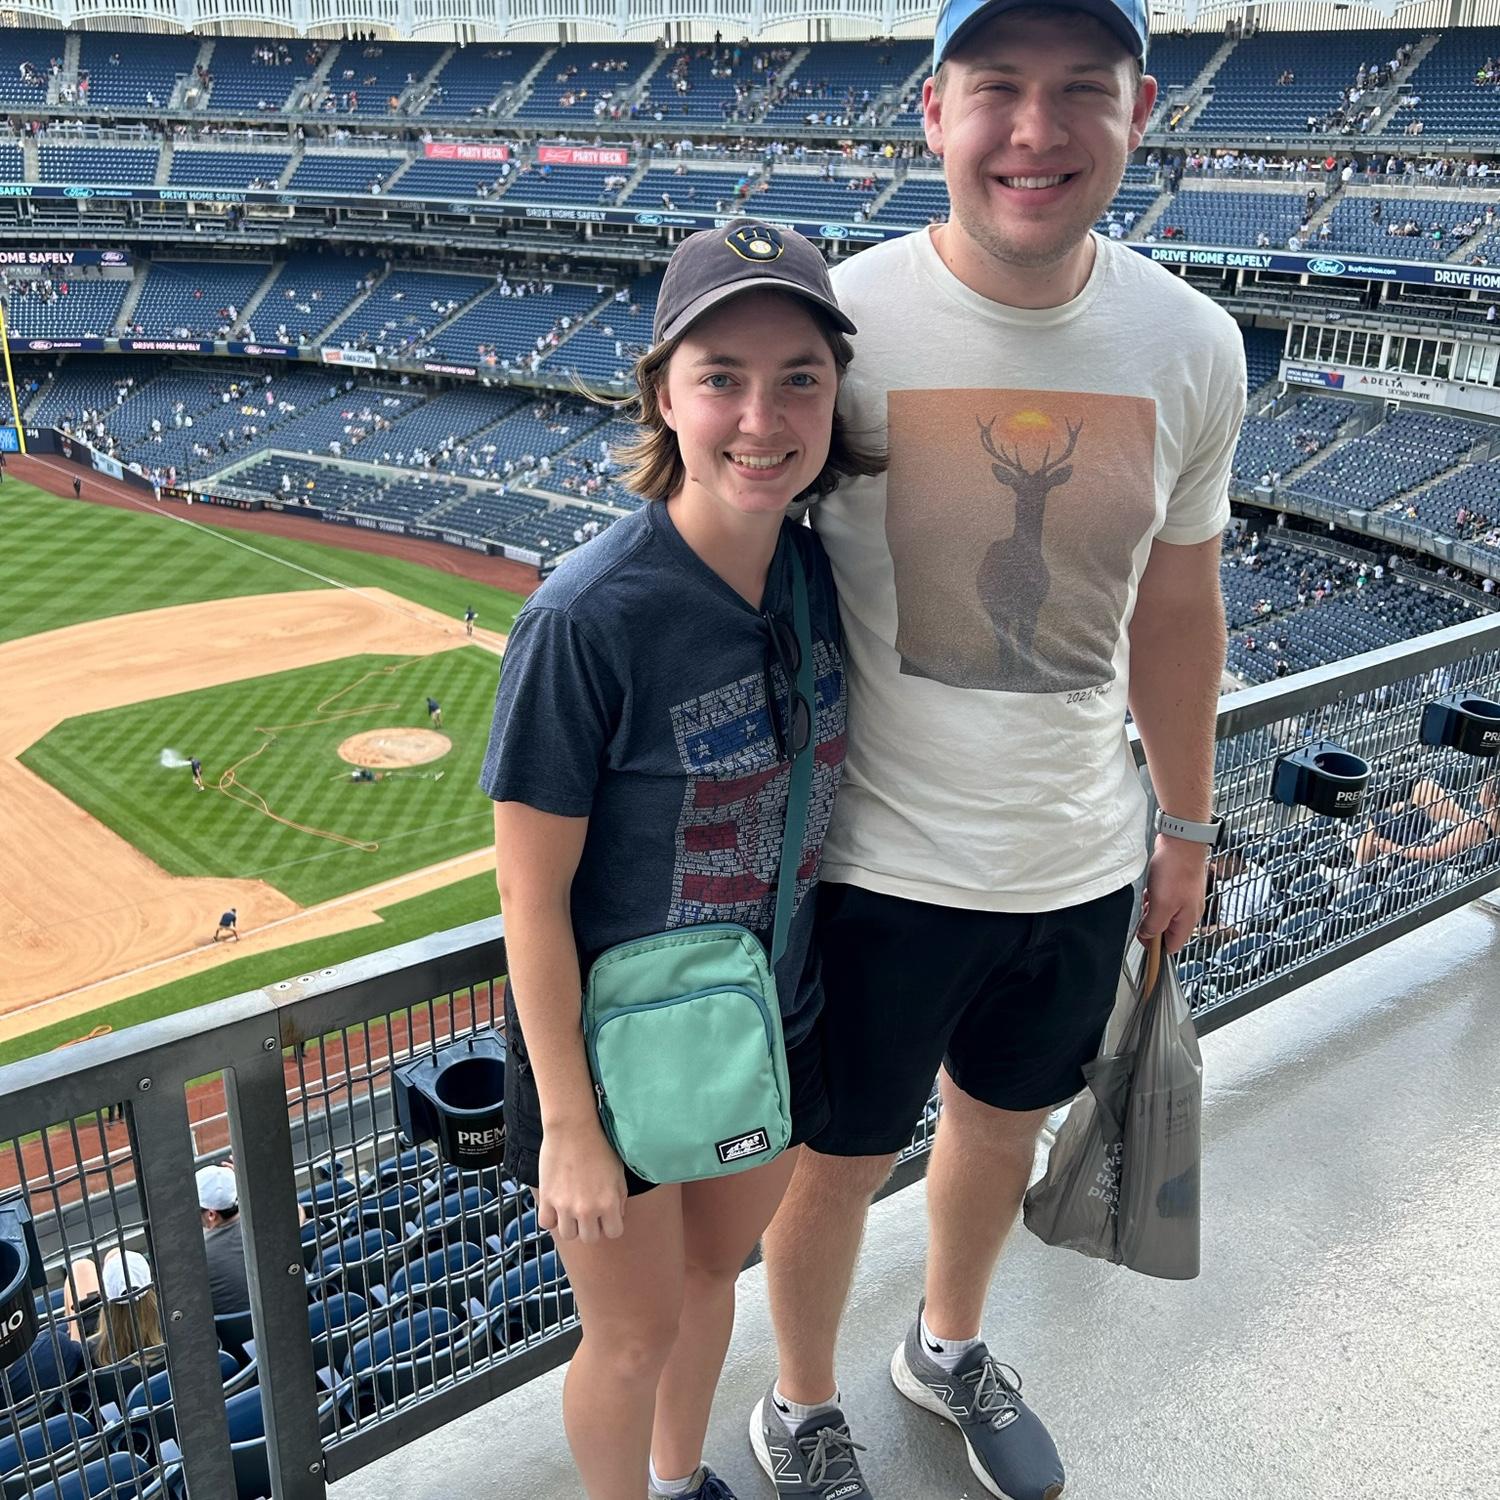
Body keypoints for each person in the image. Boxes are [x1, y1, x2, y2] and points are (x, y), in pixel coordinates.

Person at [752, 5, 1245, 1499]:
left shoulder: (1192, 345)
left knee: (999, 1126)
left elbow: (1179, 606)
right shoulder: (836, 322)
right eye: (999, 91)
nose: (1037, 131)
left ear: (1139, 110)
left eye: (1080, 92)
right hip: (872, 866)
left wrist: (1186, 825)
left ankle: (945, 1348)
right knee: (831, 1164)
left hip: (1080, 861)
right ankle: (797, 1403)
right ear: (933, 112)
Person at [480, 220, 880, 1500]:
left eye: (799, 377)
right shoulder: (583, 618)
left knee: (717, 1277)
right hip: (619, 1057)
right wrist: (568, 1127)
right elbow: (529, 897)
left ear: (834, 397)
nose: (761, 415)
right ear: (664, 392)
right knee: (632, 1329)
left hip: (767, 1021)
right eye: (722, 376)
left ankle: (673, 1478)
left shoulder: (817, 574)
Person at [62, 1246, 165, 1371]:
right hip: (154, 1338)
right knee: (115, 1254)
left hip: (102, 1346)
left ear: (104, 1295)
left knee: (80, 1267)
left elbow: (78, 1358)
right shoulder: (172, 1326)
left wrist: (76, 1339)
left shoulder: (89, 1352)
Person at [196, 1164, 251, 1315]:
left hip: (236, 1338)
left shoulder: (197, 1257)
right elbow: (298, 1210)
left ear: (211, 1215)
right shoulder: (269, 1220)